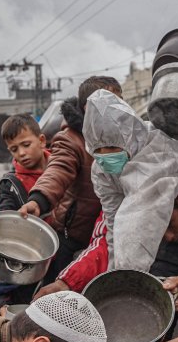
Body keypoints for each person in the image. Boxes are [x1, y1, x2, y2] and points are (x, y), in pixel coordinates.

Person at [82, 89, 178, 272]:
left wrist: (129, 276)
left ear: (130, 139)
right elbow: (114, 221)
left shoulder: (159, 150)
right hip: (164, 218)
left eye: (112, 146)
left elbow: (141, 215)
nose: (106, 156)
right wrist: (113, 271)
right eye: (98, 150)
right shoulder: (101, 170)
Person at [14, 77, 122, 271]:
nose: (116, 109)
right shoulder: (70, 139)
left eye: (119, 101)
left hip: (112, 234)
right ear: (87, 108)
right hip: (72, 236)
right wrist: (38, 200)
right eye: (108, 103)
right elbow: (58, 170)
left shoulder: (126, 136)